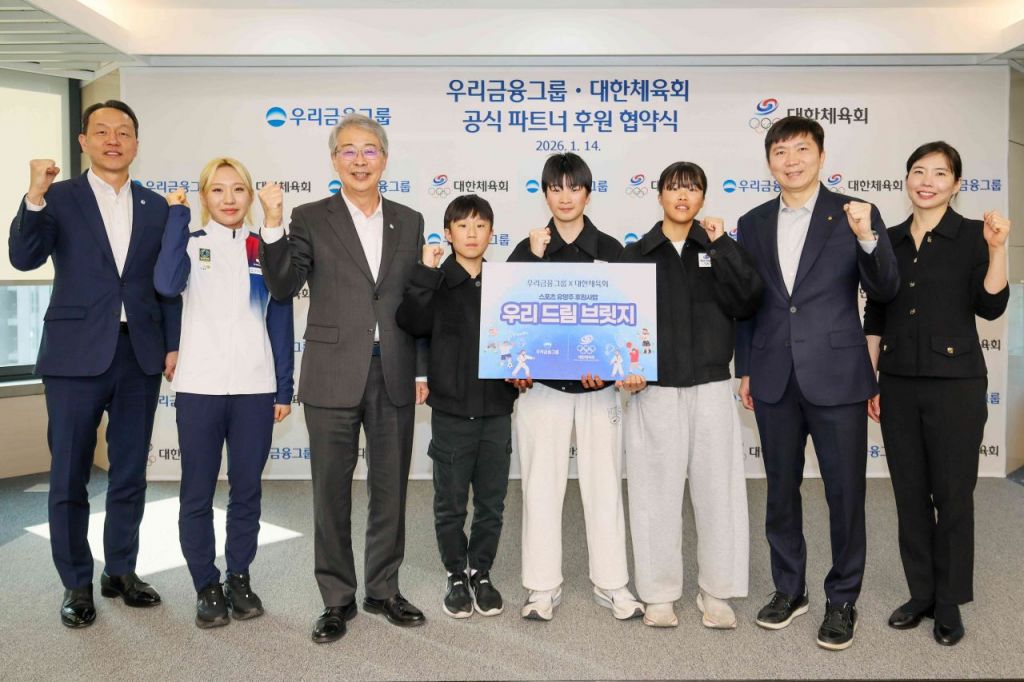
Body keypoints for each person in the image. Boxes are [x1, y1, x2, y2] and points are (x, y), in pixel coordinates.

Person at [8, 100, 181, 628]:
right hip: (74, 355)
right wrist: (34, 195)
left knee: (129, 473)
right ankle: (77, 582)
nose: (113, 140)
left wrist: (172, 343)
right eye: (102, 131)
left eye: (124, 132)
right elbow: (23, 257)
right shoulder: (57, 198)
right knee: (69, 476)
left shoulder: (156, 206)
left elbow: (168, 284)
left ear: (136, 143)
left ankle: (120, 571)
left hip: (140, 354)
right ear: (83, 141)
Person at [259, 113, 428, 643]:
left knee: (390, 489)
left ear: (385, 159)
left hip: (393, 370)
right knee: (330, 491)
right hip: (332, 372)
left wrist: (422, 367)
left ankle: (383, 589)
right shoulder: (310, 217)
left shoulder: (410, 220)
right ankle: (336, 598)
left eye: (370, 150)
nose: (360, 160)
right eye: (349, 151)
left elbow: (417, 301)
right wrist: (272, 224)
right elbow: (283, 286)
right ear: (334, 160)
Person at [735, 116, 899, 650]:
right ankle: (790, 589)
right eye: (780, 151)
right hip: (774, 376)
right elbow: (748, 303)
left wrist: (868, 237)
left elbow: (886, 289)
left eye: (802, 149)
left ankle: (843, 598)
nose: (792, 160)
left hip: (837, 376)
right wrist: (746, 366)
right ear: (769, 162)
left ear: (821, 156)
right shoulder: (753, 221)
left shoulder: (854, 213)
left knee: (845, 493)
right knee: (780, 491)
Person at [863, 141, 1010, 647]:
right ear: (906, 179)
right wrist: (869, 379)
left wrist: (997, 249)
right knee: (909, 495)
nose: (927, 181)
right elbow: (876, 312)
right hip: (898, 382)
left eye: (940, 173)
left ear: (956, 184)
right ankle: (920, 594)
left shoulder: (972, 235)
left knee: (952, 495)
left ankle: (949, 601)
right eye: (919, 172)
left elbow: (990, 306)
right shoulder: (889, 239)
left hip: (956, 385)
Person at [618, 161, 763, 628]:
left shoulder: (717, 247)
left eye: (692, 188)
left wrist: (722, 246)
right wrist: (627, 369)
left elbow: (749, 299)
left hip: (711, 385)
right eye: (674, 188)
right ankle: (658, 593)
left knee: (718, 492)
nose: (683, 196)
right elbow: (619, 324)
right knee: (653, 494)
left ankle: (716, 591)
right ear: (659, 194)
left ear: (703, 197)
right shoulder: (636, 254)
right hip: (654, 389)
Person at [153, 158, 294, 629]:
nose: (228, 199)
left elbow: (280, 316)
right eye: (217, 190)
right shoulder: (190, 242)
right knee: (196, 492)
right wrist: (176, 217)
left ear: (250, 196)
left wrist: (283, 387)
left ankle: (238, 576)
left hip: (255, 388)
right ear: (203, 196)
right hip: (200, 387)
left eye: (238, 189)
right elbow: (165, 283)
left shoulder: (263, 246)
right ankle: (205, 584)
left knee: (247, 491)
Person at [507, 152, 643, 622]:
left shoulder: (611, 248)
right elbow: (508, 319)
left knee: (604, 486)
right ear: (545, 194)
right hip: (541, 391)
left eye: (574, 187)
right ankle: (542, 587)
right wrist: (531, 257)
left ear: (588, 193)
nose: (565, 197)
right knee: (540, 488)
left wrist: (608, 368)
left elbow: (627, 321)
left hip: (598, 391)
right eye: (556, 188)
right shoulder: (528, 249)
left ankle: (612, 584)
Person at [396, 194, 519, 619]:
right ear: (447, 234)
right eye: (462, 226)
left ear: (491, 233)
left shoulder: (505, 283)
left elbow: (523, 338)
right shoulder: (435, 278)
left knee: (492, 502)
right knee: (450, 503)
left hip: (497, 409)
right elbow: (411, 322)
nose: (472, 233)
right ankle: (455, 573)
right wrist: (426, 272)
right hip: (451, 410)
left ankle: (481, 572)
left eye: (480, 225)